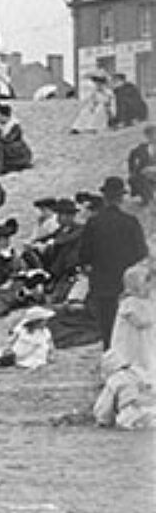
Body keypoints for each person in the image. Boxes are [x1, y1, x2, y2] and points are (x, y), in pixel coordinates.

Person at [80, 177, 150, 348]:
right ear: (121, 198)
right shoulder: (130, 222)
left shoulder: (93, 222)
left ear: (105, 197)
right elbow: (142, 252)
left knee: (107, 324)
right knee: (127, 323)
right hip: (126, 282)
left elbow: (84, 255)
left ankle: (109, 352)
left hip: (102, 281)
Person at [127, 124, 156, 206]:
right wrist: (132, 171)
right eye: (150, 135)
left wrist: (152, 168)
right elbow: (131, 157)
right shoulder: (142, 147)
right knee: (137, 178)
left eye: (154, 134)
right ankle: (147, 199)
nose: (153, 137)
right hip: (146, 174)